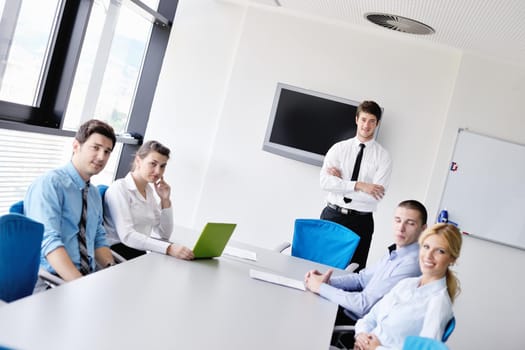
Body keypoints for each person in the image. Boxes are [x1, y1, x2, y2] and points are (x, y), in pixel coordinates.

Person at [305, 200, 427, 347]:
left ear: (423, 229)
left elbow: (364, 305)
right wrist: (328, 281)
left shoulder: (411, 264)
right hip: (350, 312)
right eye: (398, 220)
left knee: (304, 320)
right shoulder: (396, 252)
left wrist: (321, 288)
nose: (401, 228)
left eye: (410, 223)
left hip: (358, 329)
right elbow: (361, 279)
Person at [24, 119, 117, 289]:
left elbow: (98, 239)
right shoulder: (50, 184)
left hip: (86, 278)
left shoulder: (94, 193)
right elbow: (49, 243)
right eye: (95, 148)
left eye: (107, 151)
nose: (101, 157)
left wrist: (112, 273)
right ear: (76, 146)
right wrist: (80, 285)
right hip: (53, 281)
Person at [353, 223, 462, 350]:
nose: (428, 255)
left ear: (452, 259)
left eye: (440, 251)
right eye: (426, 247)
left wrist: (377, 348)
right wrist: (361, 335)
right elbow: (371, 318)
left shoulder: (438, 304)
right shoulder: (406, 284)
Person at [320, 100, 392, 270]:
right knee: (321, 265)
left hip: (361, 221)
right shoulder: (338, 149)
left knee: (353, 273)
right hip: (333, 215)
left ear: (377, 124)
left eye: (372, 121)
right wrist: (359, 185)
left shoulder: (383, 157)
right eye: (364, 119)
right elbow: (325, 182)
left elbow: (374, 197)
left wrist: (340, 183)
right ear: (357, 120)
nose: (366, 125)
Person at [103, 140, 194, 260]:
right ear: (138, 161)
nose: (158, 171)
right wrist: (169, 248)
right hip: (118, 254)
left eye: (162, 166)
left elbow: (164, 234)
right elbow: (127, 236)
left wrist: (165, 200)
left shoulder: (149, 192)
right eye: (153, 164)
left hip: (138, 253)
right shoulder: (119, 188)